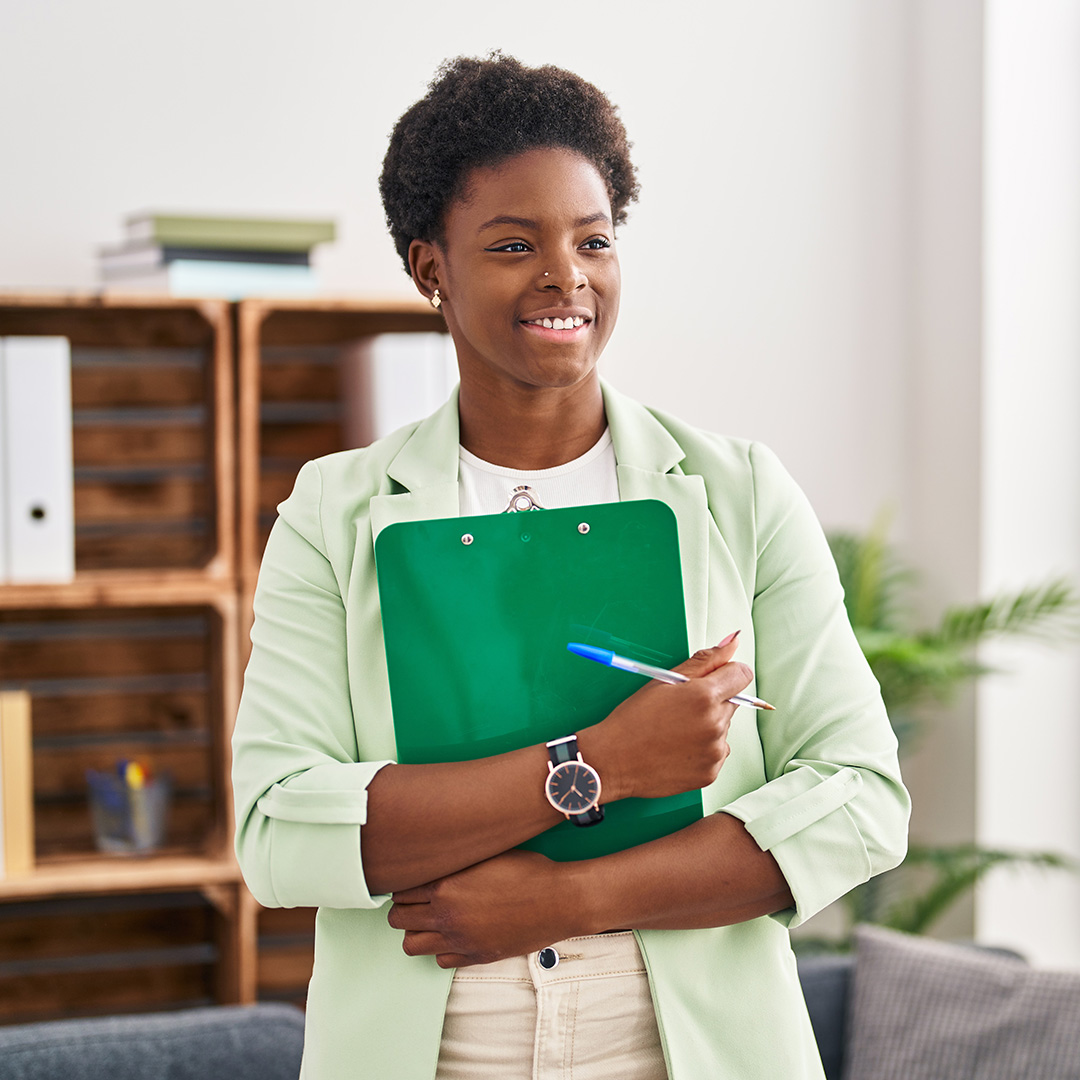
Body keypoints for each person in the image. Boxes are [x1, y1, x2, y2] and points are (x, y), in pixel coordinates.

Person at [232, 53, 910, 1080]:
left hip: (691, 1051)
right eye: (514, 244)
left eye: (594, 240)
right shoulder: (335, 514)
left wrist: (564, 899)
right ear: (431, 268)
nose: (567, 275)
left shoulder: (738, 492)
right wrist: (600, 765)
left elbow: (861, 801)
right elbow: (281, 831)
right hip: (435, 1052)